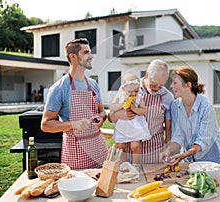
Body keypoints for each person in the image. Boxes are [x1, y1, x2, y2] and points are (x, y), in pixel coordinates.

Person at [41, 38, 108, 169]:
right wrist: (73, 124)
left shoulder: (93, 85)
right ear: (73, 57)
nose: (91, 56)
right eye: (86, 53)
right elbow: (46, 124)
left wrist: (101, 118)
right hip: (75, 151)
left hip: (99, 148)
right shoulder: (59, 88)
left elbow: (102, 112)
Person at [108, 59, 174, 164]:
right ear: (147, 75)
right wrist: (120, 114)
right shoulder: (130, 86)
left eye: (161, 85)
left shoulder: (168, 97)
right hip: (131, 151)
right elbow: (110, 117)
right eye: (154, 84)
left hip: (154, 152)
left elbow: (169, 127)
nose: (156, 88)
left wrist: (167, 149)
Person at [161, 66, 220, 167]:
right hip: (188, 161)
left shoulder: (206, 106)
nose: (171, 86)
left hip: (210, 162)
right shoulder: (175, 106)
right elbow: (178, 135)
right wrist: (168, 151)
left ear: (188, 85)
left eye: (175, 82)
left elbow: (202, 141)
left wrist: (181, 156)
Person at [109, 72, 151, 165]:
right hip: (122, 126)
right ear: (123, 89)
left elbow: (144, 111)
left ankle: (136, 164)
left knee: (135, 146)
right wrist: (121, 105)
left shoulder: (139, 98)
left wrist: (134, 108)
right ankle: (124, 164)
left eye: (136, 91)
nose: (133, 94)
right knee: (120, 146)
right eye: (130, 91)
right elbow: (112, 107)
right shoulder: (120, 96)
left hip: (135, 126)